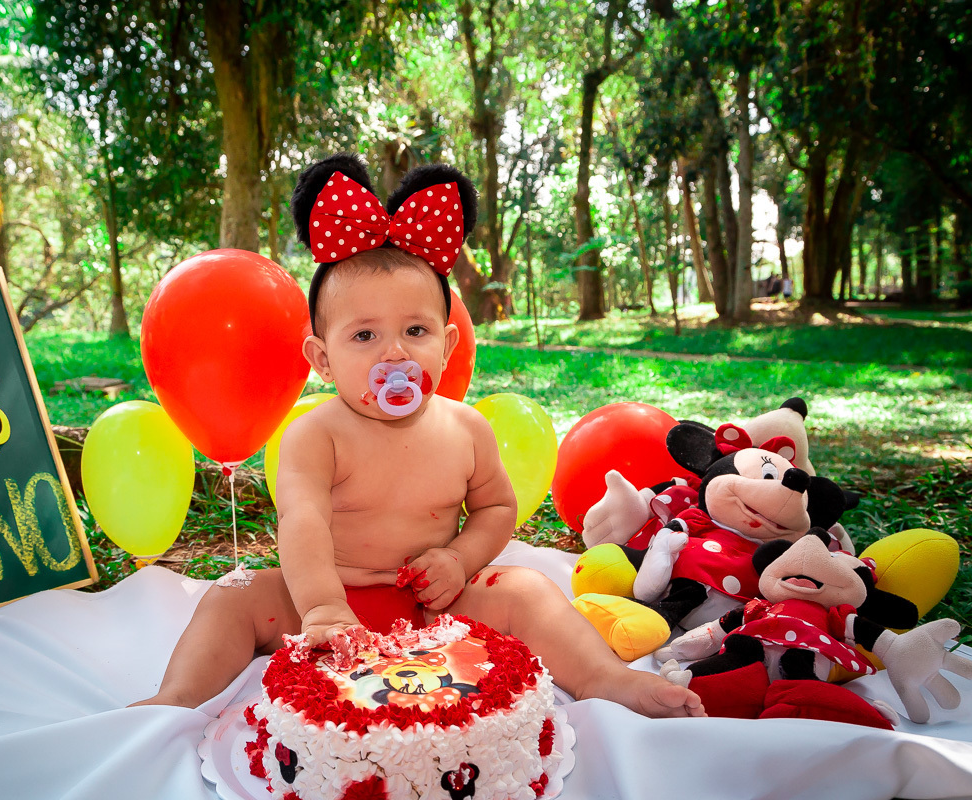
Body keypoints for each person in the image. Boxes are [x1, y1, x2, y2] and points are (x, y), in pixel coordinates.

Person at [132, 154, 704, 719]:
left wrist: (459, 558)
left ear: (447, 345)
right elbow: (301, 522)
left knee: (528, 589)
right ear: (322, 359)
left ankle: (602, 677)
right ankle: (177, 698)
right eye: (364, 336)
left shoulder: (465, 427)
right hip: (328, 598)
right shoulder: (316, 434)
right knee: (234, 595)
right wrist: (323, 607)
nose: (395, 353)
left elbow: (496, 507)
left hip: (436, 604)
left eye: (415, 330)